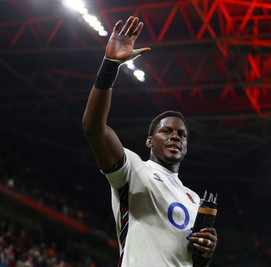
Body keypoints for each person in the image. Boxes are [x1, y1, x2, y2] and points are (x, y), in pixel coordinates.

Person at [82, 16, 218, 267]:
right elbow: (94, 129)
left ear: (186, 147)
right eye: (166, 132)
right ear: (149, 142)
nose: (175, 136)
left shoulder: (195, 200)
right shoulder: (134, 170)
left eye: (182, 134)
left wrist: (205, 253)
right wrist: (110, 65)